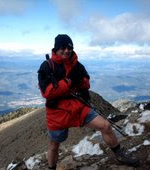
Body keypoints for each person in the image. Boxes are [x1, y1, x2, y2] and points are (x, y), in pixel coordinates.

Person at [38, 34, 139, 169]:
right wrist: (68, 82)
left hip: (78, 106)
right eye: (63, 48)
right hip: (58, 112)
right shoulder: (47, 67)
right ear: (56, 48)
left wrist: (79, 82)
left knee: (105, 126)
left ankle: (120, 154)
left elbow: (86, 83)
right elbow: (47, 93)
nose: (67, 51)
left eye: (69, 48)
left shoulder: (76, 65)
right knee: (54, 145)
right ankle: (51, 168)